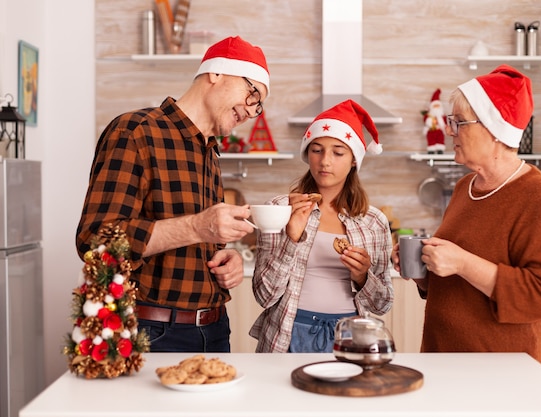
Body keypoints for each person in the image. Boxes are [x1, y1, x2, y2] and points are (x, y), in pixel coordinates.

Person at [76, 36, 269, 352]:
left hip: (215, 329)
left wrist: (227, 258)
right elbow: (95, 241)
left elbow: (196, 244)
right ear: (216, 74)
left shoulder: (209, 151)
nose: (252, 112)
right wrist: (196, 227)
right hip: (153, 332)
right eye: (252, 95)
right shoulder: (135, 131)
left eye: (258, 105)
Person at [392, 65, 541, 369]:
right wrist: (424, 272)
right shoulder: (465, 187)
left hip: (502, 373)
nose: (449, 131)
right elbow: (459, 286)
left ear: (494, 130)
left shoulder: (536, 194)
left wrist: (462, 262)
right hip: (445, 363)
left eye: (459, 122)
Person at [249, 100, 394, 353]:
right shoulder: (280, 209)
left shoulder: (374, 222)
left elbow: (382, 304)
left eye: (338, 152)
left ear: (353, 160)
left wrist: (361, 277)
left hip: (351, 338)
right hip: (288, 335)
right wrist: (291, 239)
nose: (325, 161)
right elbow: (264, 296)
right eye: (316, 150)